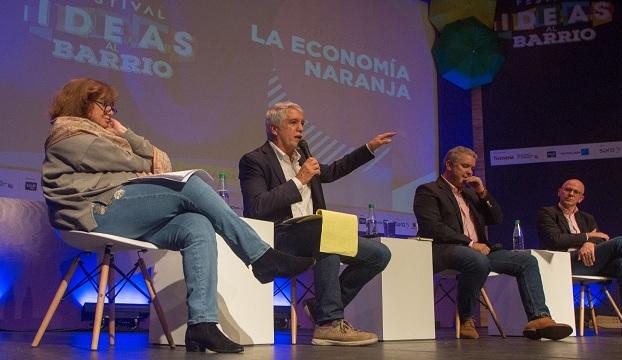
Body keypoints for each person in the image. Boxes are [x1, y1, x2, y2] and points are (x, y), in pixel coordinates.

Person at [41, 78, 314, 353]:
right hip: (93, 213)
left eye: (113, 106)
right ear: (82, 103)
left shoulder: (100, 137)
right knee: (191, 185)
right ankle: (260, 256)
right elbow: (148, 162)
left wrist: (125, 134)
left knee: (196, 225)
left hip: (115, 208)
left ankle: (202, 325)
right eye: (105, 105)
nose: (111, 111)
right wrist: (133, 154)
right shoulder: (73, 136)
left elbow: (158, 162)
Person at [238, 101, 394, 346]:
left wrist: (368, 148)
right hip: (281, 238)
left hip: (317, 234)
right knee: (325, 233)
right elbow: (256, 207)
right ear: (274, 128)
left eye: (302, 123)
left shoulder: (304, 159)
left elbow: (333, 170)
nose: (300, 128)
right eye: (293, 122)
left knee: (378, 253)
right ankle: (330, 323)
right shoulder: (254, 161)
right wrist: (299, 180)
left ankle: (321, 307)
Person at [413, 146, 572, 340]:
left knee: (527, 260)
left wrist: (482, 192)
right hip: (443, 250)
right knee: (476, 261)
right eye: (464, 166)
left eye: (472, 168)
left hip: (479, 251)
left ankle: (539, 318)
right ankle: (466, 319)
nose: (470, 172)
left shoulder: (471, 194)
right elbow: (432, 227)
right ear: (448, 165)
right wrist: (470, 243)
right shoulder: (428, 190)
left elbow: (496, 217)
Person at [537, 178, 622, 337]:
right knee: (618, 242)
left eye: (576, 192)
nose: (571, 193)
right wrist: (587, 237)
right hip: (566, 262)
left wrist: (589, 242)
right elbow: (554, 240)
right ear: (559, 192)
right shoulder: (547, 213)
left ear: (581, 198)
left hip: (590, 261)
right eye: (567, 189)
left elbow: (601, 238)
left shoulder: (587, 218)